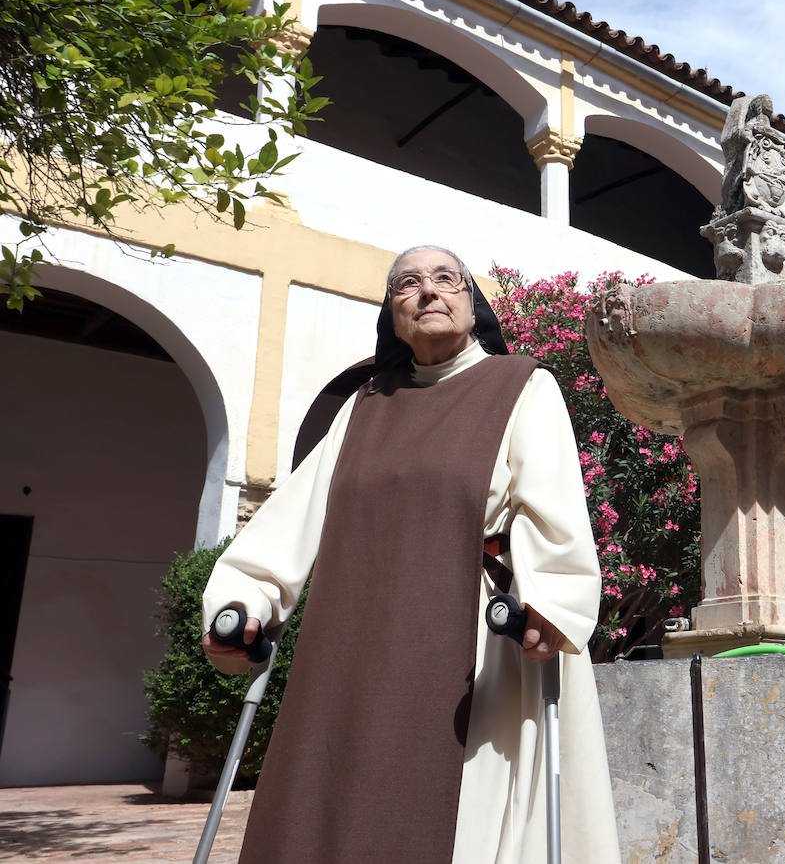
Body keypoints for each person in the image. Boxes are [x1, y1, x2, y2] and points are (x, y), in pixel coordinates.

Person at [201, 246, 620, 864]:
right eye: (407, 285)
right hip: (349, 645)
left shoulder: (521, 386)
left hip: (469, 648)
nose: (428, 292)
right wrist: (244, 600)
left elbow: (552, 507)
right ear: (393, 316)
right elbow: (292, 515)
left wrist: (551, 600)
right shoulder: (365, 406)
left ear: (472, 304)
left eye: (445, 279)